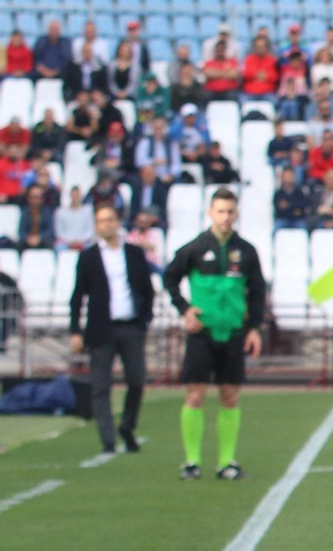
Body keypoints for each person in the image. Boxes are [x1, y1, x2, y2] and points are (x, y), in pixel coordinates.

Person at [163, 189, 265, 481]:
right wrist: (184, 309)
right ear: (210, 212)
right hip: (202, 332)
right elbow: (169, 277)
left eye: (230, 211)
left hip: (233, 331)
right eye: (220, 211)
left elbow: (257, 291)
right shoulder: (195, 248)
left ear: (236, 214)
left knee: (230, 396)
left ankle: (226, 462)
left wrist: (255, 327)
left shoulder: (246, 251)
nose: (225, 217)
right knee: (195, 394)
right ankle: (192, 461)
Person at [69, 204, 156, 455]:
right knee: (100, 386)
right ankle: (108, 440)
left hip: (131, 327)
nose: (106, 224)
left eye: (109, 219)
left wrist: (144, 321)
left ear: (117, 222)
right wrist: (75, 330)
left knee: (137, 380)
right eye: (101, 221)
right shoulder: (89, 257)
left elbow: (147, 291)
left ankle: (127, 426)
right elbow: (78, 296)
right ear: (96, 226)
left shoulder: (133, 254)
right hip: (101, 329)